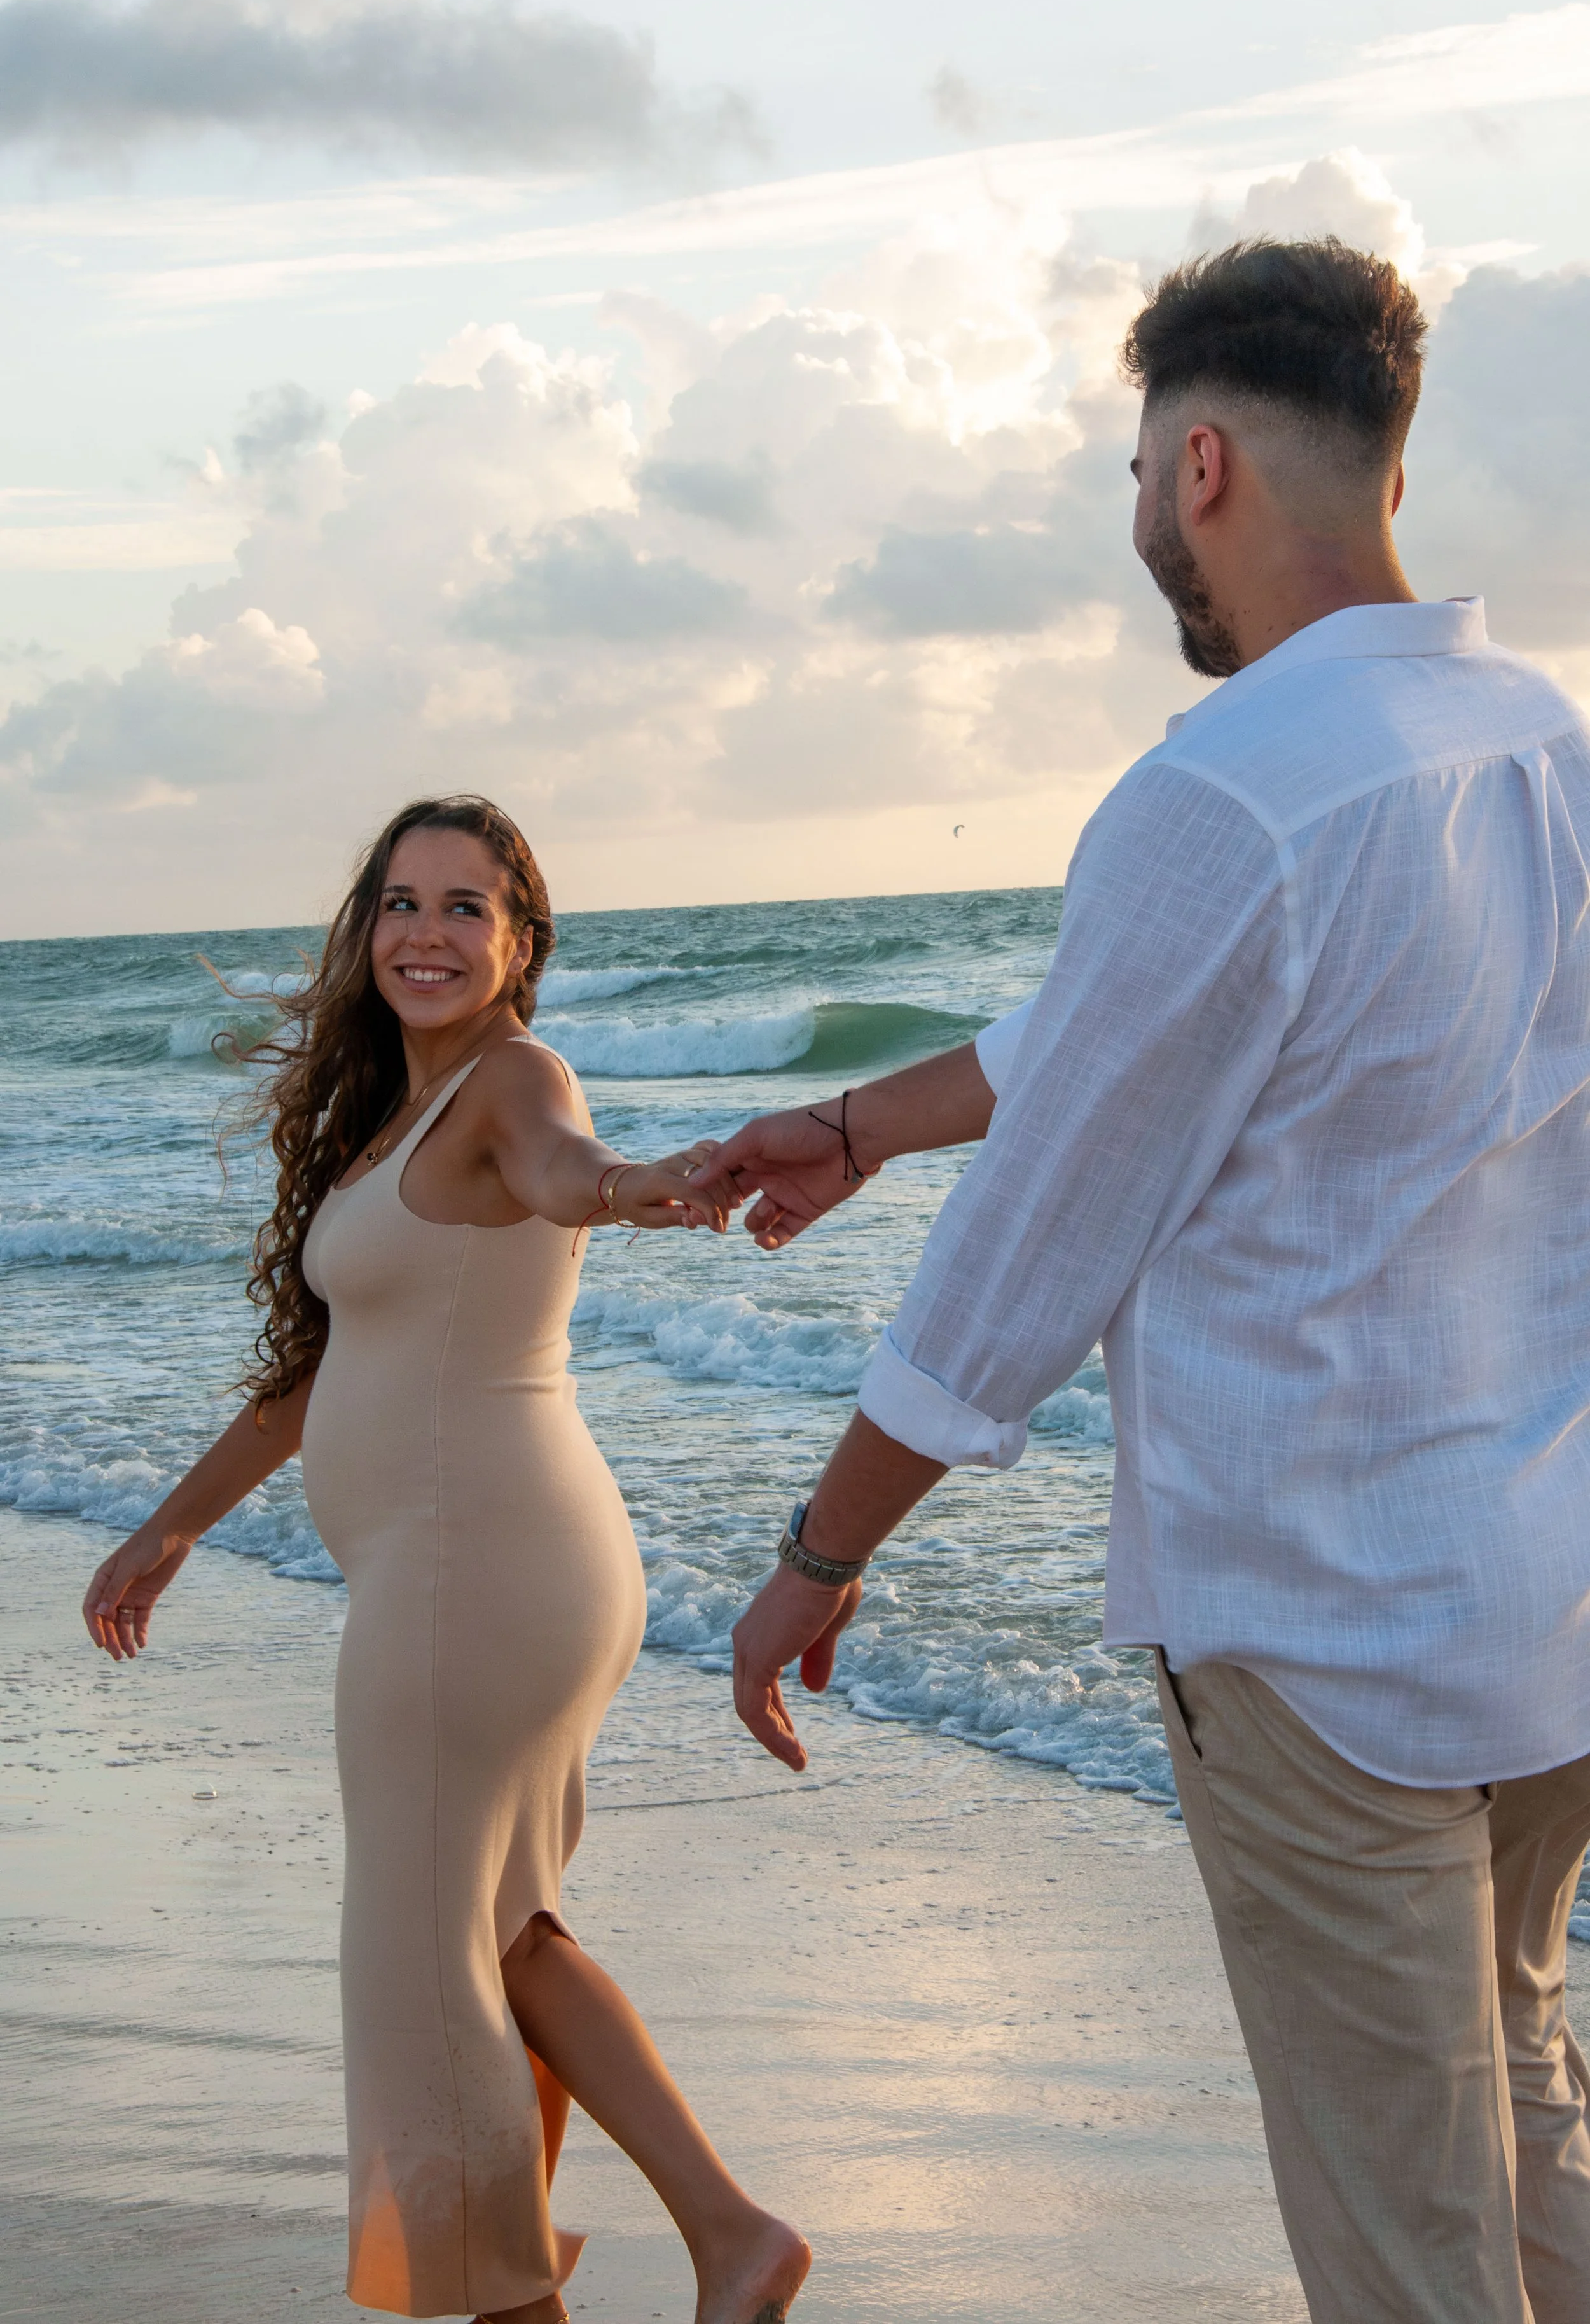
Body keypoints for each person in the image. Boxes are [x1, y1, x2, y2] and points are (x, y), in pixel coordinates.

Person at [694, 240, 1590, 2323]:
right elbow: (1132, 1045)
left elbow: (1027, 1266)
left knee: (1404, 2236)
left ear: (1200, 464)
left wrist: (819, 1553)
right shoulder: (1537, 744)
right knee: (1523, 2107)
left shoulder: (1221, 793)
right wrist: (854, 1123)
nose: (1130, 527)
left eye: (1128, 473)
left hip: (1322, 1632)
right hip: (1543, 1604)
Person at [82, 795, 809, 2324]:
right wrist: (171, 1524)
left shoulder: (511, 1082)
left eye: (464, 906)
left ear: (518, 940)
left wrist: (646, 1182)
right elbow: (320, 1376)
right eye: (400, 903)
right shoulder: (391, 1119)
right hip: (500, 1568)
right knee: (500, 1936)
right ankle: (731, 2233)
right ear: (364, 934)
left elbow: (566, 1172)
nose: (426, 932)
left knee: (417, 1974)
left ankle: (524, 2301)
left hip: (472, 1576)